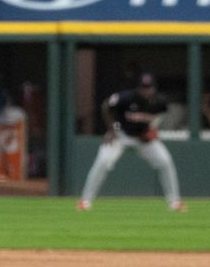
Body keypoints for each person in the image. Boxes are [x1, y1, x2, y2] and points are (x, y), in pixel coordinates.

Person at [77, 73, 186, 212]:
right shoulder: (126, 97)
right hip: (120, 135)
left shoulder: (160, 101)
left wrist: (152, 128)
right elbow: (106, 106)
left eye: (149, 87)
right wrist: (112, 130)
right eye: (143, 87)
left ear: (154, 88)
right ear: (138, 88)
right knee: (103, 161)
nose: (146, 91)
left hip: (143, 139)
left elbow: (162, 115)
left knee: (165, 161)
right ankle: (85, 201)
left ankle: (175, 202)